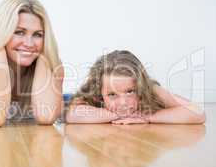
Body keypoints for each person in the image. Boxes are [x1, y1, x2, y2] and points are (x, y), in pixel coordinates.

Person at [66, 50, 205, 124]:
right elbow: (72, 115)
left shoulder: (151, 90)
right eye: (112, 95)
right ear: (99, 93)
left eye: (130, 91)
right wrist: (118, 114)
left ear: (141, 87)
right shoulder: (93, 94)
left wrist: (146, 117)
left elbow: (197, 112)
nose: (123, 103)